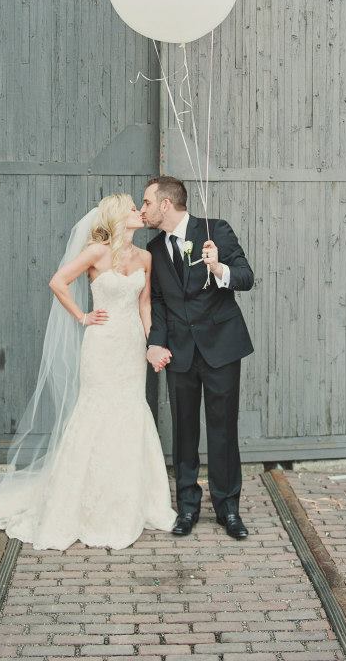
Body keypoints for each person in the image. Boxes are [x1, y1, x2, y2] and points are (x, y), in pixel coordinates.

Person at [0, 194, 177, 551]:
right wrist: (82, 316)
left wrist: (149, 344)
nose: (138, 211)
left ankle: (131, 500)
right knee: (96, 412)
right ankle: (82, 502)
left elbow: (145, 306)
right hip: (101, 344)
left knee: (130, 411)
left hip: (129, 347)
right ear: (115, 216)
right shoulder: (96, 252)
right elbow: (58, 282)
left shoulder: (145, 257)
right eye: (131, 207)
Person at [140, 176, 255, 539]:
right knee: (184, 432)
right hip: (180, 352)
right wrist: (156, 342)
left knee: (223, 431)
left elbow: (246, 277)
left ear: (165, 204)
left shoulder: (216, 231)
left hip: (221, 347)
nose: (142, 209)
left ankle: (228, 509)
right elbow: (157, 301)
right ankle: (187, 508)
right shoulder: (155, 249)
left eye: (146, 202)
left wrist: (219, 268)